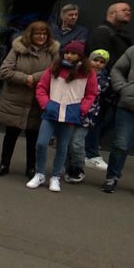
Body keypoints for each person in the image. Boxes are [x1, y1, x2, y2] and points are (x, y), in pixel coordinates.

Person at [27, 41, 97, 192]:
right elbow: (41, 87)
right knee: (41, 143)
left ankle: (56, 177)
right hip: (51, 111)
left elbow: (91, 93)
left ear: (80, 56)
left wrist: (81, 109)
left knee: (62, 147)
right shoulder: (55, 68)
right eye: (67, 52)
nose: (69, 56)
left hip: (71, 114)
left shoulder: (88, 72)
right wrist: (46, 104)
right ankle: (39, 174)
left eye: (73, 53)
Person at [0, 21, 59, 178]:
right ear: (30, 34)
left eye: (44, 34)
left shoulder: (53, 52)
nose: (41, 36)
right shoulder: (18, 49)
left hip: (38, 101)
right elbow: (4, 71)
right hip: (15, 99)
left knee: (33, 138)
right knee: (10, 135)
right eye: (37, 33)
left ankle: (31, 168)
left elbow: (55, 71)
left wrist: (34, 78)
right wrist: (24, 78)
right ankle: (4, 164)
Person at [84, 1, 132, 170]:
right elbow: (100, 62)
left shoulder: (122, 35)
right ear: (112, 13)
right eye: (124, 10)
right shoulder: (102, 33)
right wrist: (108, 83)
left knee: (108, 120)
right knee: (96, 118)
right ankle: (89, 153)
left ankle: (88, 147)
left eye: (129, 10)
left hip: (117, 88)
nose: (128, 12)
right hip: (104, 86)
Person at [64, 49, 110, 184]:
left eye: (102, 62)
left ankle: (78, 167)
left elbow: (94, 90)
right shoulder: (78, 71)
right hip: (72, 112)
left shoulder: (104, 79)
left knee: (77, 143)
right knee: (67, 142)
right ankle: (69, 168)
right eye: (95, 60)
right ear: (89, 60)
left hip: (87, 116)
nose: (98, 64)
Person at [102, 43, 134, 193]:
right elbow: (117, 69)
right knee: (121, 144)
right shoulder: (133, 50)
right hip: (128, 105)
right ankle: (112, 177)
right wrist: (122, 87)